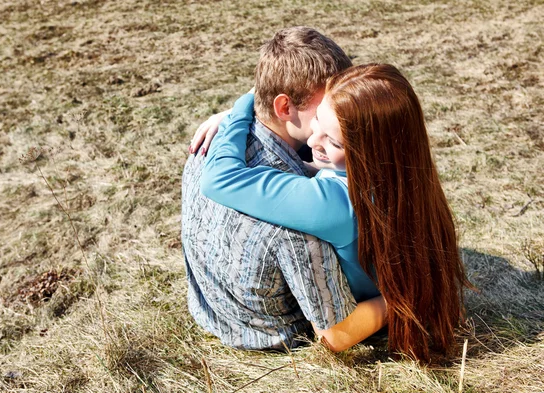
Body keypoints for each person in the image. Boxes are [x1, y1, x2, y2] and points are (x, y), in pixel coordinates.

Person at [197, 64, 470, 362]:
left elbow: (220, 180)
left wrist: (240, 110)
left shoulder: (335, 206)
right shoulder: (405, 175)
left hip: (364, 316)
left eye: (334, 141)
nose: (313, 141)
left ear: (370, 150)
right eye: (317, 120)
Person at [182, 27, 387, 352]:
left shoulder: (211, 143)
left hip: (210, 308)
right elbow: (336, 332)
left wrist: (238, 110)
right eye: (324, 108)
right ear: (284, 106)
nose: (339, 110)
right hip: (270, 332)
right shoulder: (301, 214)